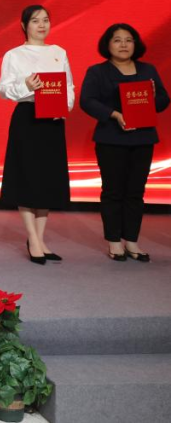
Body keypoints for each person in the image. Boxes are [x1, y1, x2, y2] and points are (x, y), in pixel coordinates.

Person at [80, 23, 169, 262]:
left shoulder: (148, 70)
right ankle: (114, 241)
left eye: (128, 40)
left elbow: (163, 100)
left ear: (135, 44)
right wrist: (114, 114)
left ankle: (131, 240)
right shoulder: (98, 71)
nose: (123, 45)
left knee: (136, 192)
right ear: (107, 45)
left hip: (143, 138)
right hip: (111, 138)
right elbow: (87, 100)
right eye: (117, 40)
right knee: (113, 191)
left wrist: (153, 97)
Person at [0, 5, 74, 264]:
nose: (42, 25)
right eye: (35, 21)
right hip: (27, 118)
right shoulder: (14, 55)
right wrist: (25, 85)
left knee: (47, 179)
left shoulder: (58, 52)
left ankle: (39, 239)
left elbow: (69, 85)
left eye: (46, 20)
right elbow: (3, 89)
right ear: (24, 25)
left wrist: (64, 107)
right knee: (27, 177)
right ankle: (32, 237)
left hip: (53, 120)